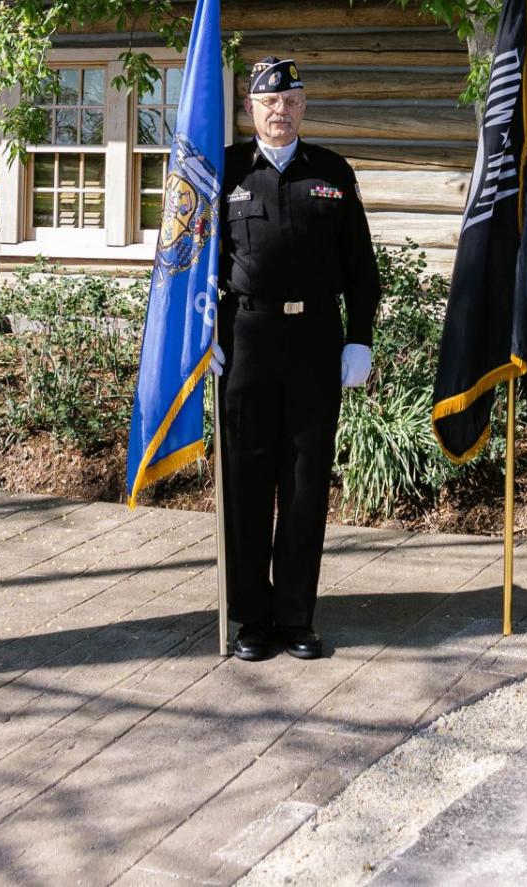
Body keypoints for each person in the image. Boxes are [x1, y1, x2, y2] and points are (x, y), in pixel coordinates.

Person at [211, 56, 380, 662]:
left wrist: (358, 338)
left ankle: (296, 617)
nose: (279, 111)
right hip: (246, 337)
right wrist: (202, 335)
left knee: (307, 483)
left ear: (303, 106)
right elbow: (189, 262)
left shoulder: (332, 171)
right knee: (247, 480)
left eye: (290, 101)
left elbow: (362, 268)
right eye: (267, 103)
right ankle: (251, 618)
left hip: (315, 338)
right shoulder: (224, 169)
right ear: (250, 109)